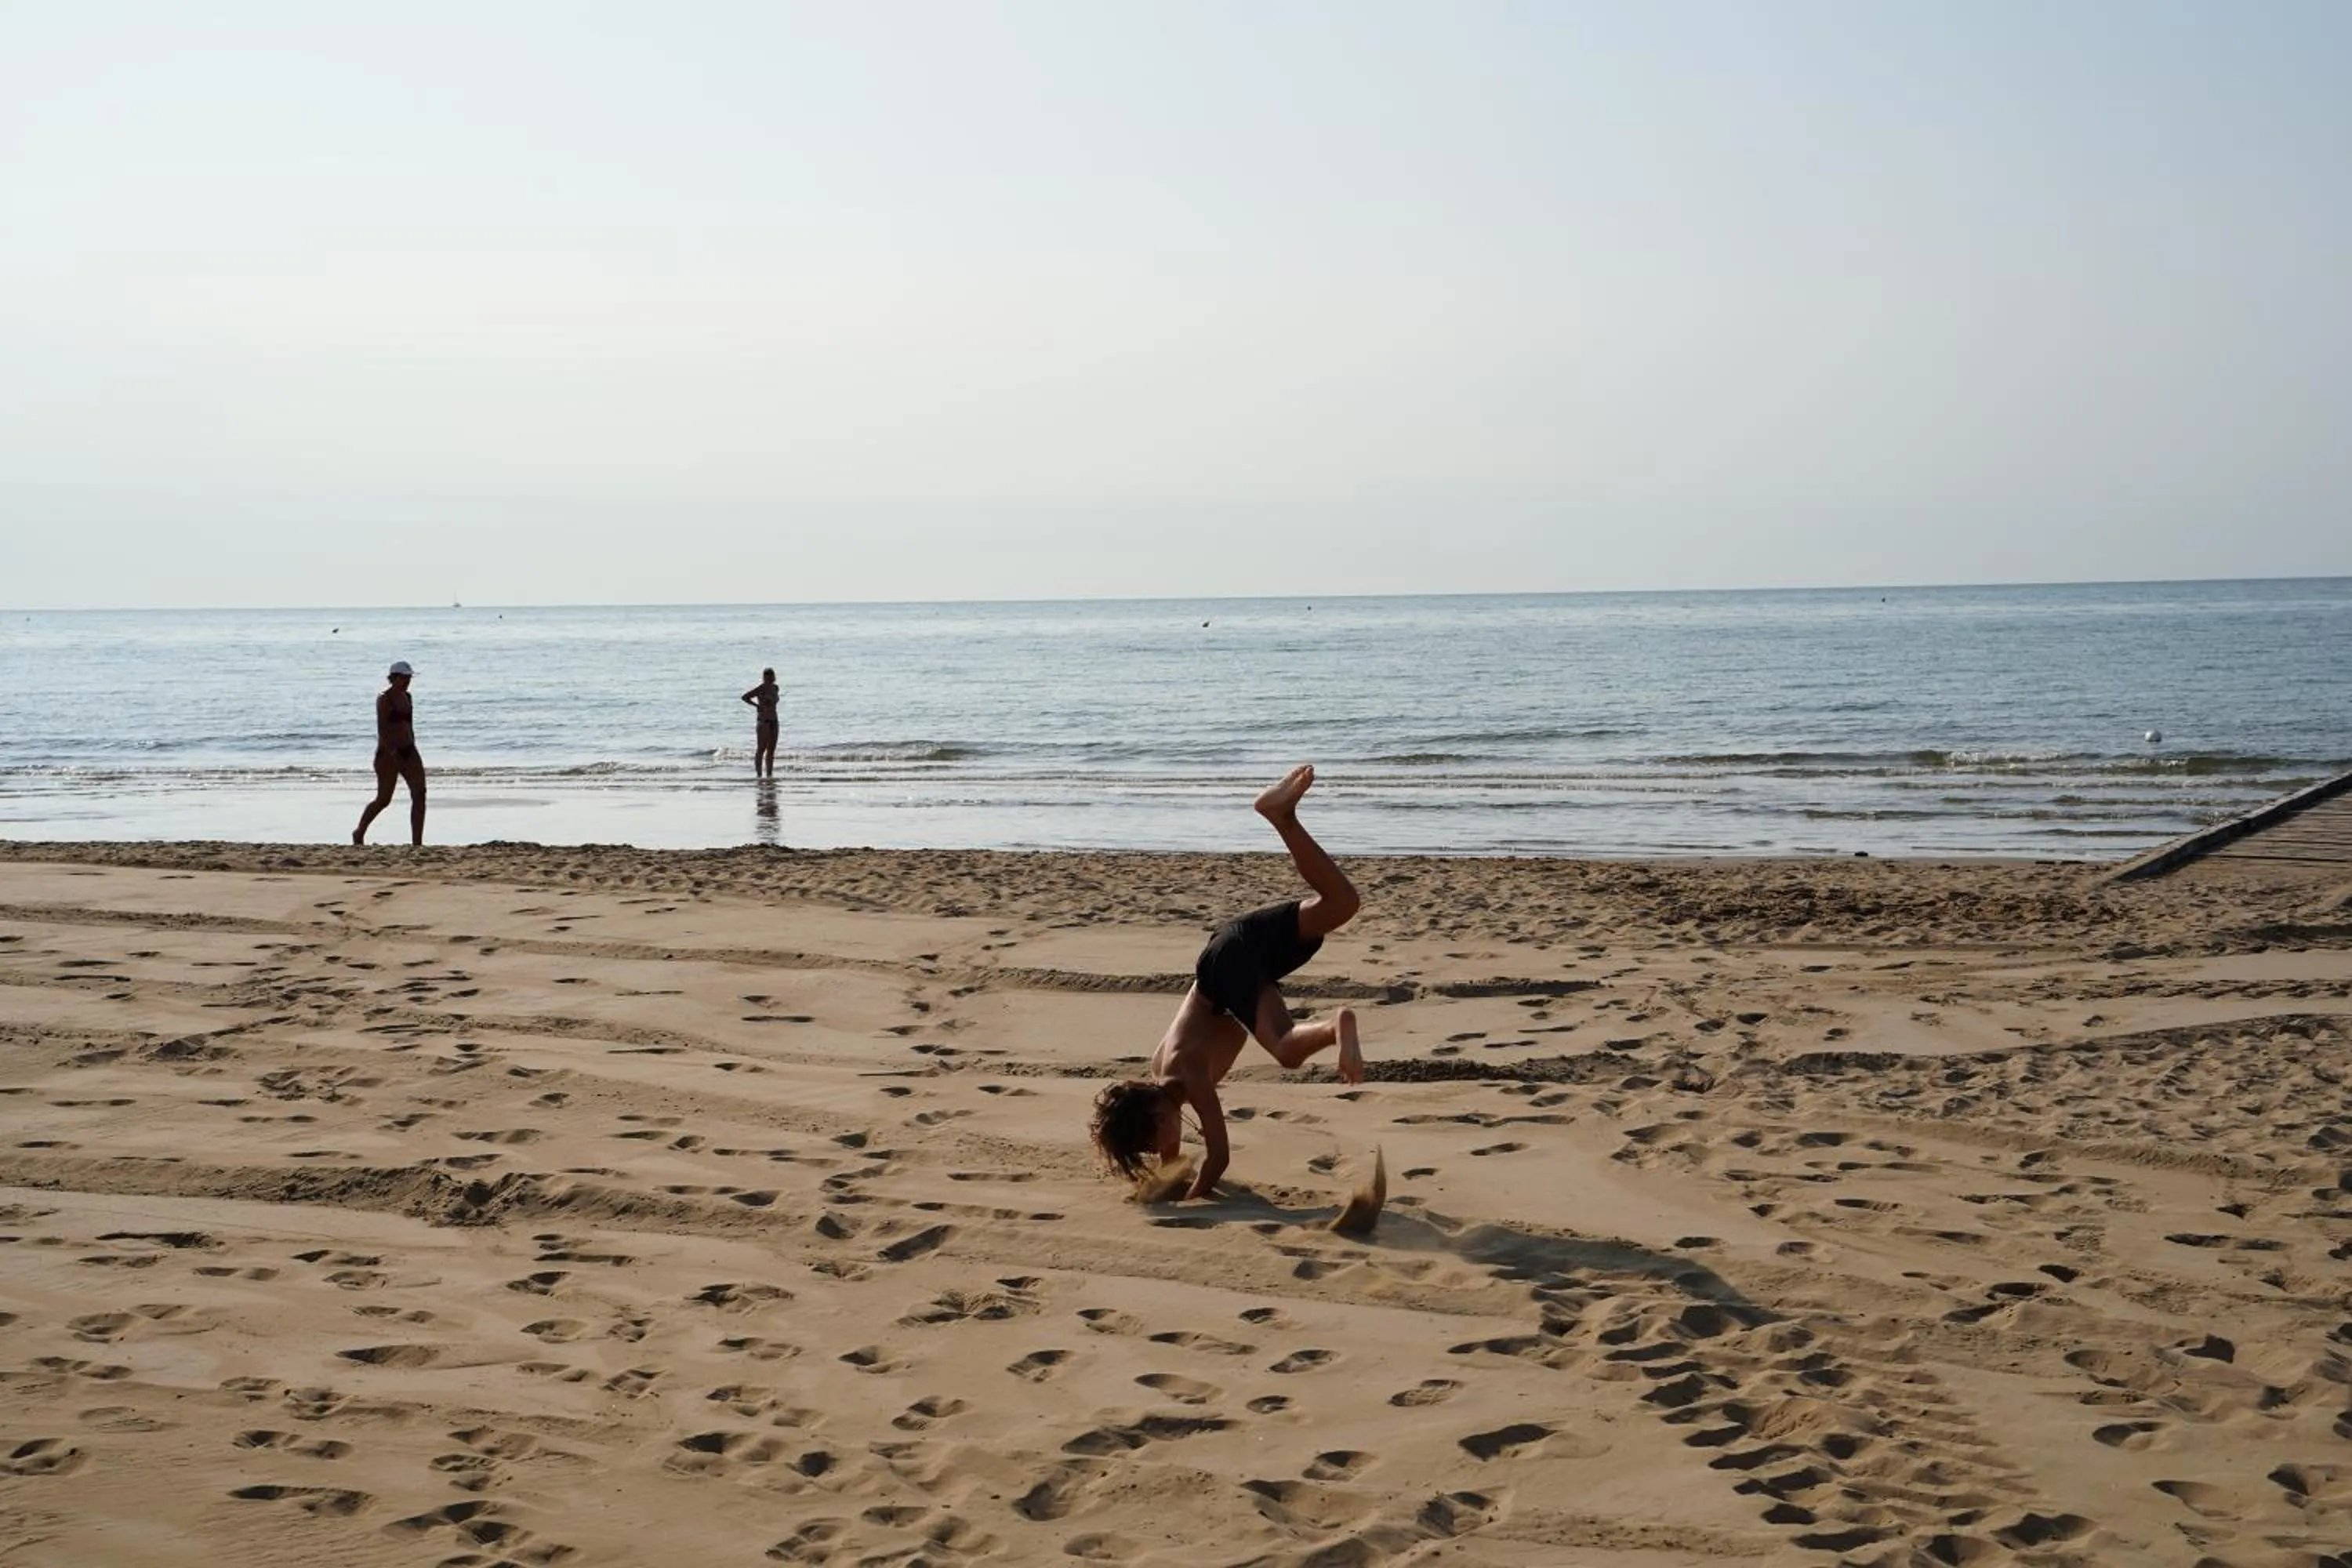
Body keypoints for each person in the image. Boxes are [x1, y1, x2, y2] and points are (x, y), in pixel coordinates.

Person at [1090, 766, 1364, 1200]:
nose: (1160, 1150)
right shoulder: (1166, 1083)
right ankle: (1282, 817)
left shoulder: (1187, 1075)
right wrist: (1167, 1180)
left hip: (1227, 969)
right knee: (1342, 903)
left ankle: (1338, 1026)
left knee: (1286, 1050)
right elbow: (1174, 1157)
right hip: (1235, 952)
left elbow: (1218, 1157)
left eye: (1151, 1141)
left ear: (1157, 1116)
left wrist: (1193, 1201)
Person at [354, 660, 426, 845]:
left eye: (409, 678)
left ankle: (417, 842)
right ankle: (359, 831)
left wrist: (412, 747)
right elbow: (383, 729)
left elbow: (409, 725)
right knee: (384, 799)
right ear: (393, 678)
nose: (407, 682)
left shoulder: (407, 697)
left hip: (409, 751)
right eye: (403, 678)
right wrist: (393, 753)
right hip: (388, 754)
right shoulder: (384, 698)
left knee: (419, 794)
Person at [741, 667, 782, 779]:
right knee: (761, 749)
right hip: (763, 722)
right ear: (764, 677)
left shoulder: (775, 688)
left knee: (771, 751)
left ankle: (769, 774)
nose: (769, 678)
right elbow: (745, 697)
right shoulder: (761, 688)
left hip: (774, 721)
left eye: (771, 675)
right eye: (767, 676)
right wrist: (757, 706)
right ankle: (759, 775)